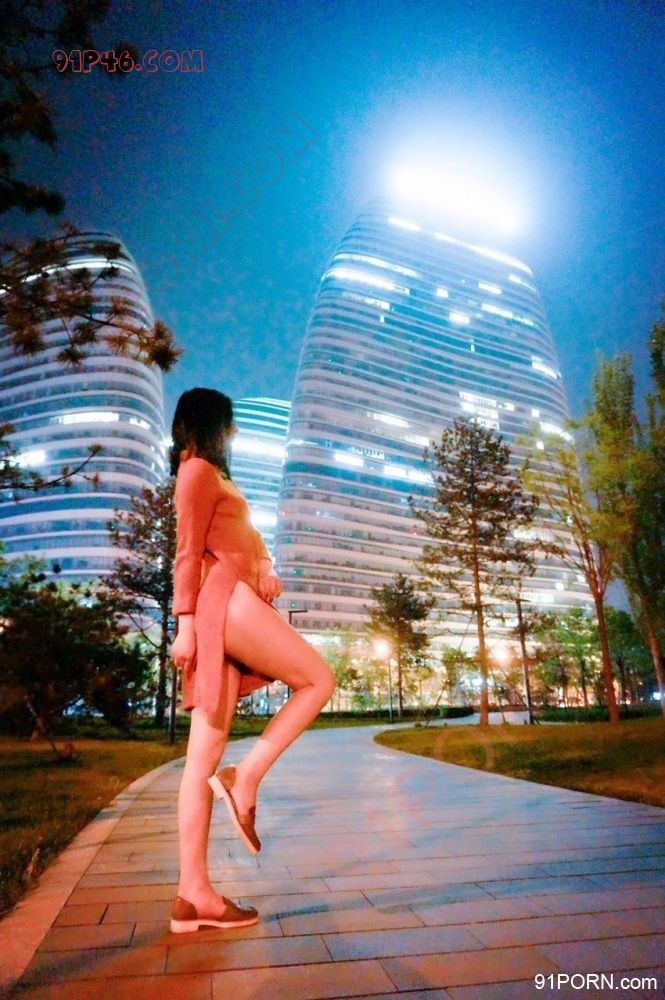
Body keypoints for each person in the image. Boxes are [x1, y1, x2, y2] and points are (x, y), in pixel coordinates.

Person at [168, 388, 336, 933]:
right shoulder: (196, 472)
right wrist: (184, 626)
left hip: (231, 604)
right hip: (220, 603)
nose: (235, 433)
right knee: (318, 679)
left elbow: (250, 538)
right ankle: (246, 777)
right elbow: (187, 551)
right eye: (231, 424)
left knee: (200, 760)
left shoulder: (220, 480)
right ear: (212, 425)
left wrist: (265, 565)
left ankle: (193, 895)